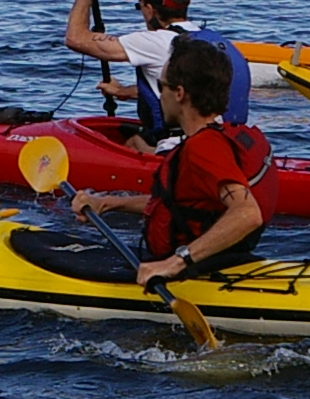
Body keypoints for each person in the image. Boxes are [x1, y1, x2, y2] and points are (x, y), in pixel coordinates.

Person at [68, 35, 272, 288]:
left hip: (196, 269)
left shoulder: (203, 148)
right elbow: (179, 206)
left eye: (161, 86)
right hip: (225, 261)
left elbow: (248, 214)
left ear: (179, 93)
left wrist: (174, 263)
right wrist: (108, 203)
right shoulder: (221, 135)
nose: (159, 95)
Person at [65, 0, 254, 150]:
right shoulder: (215, 42)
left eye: (139, 7)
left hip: (178, 147)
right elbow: (191, 91)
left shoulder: (156, 42)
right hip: (227, 142)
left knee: (133, 143)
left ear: (149, 8)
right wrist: (124, 91)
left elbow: (76, 38)